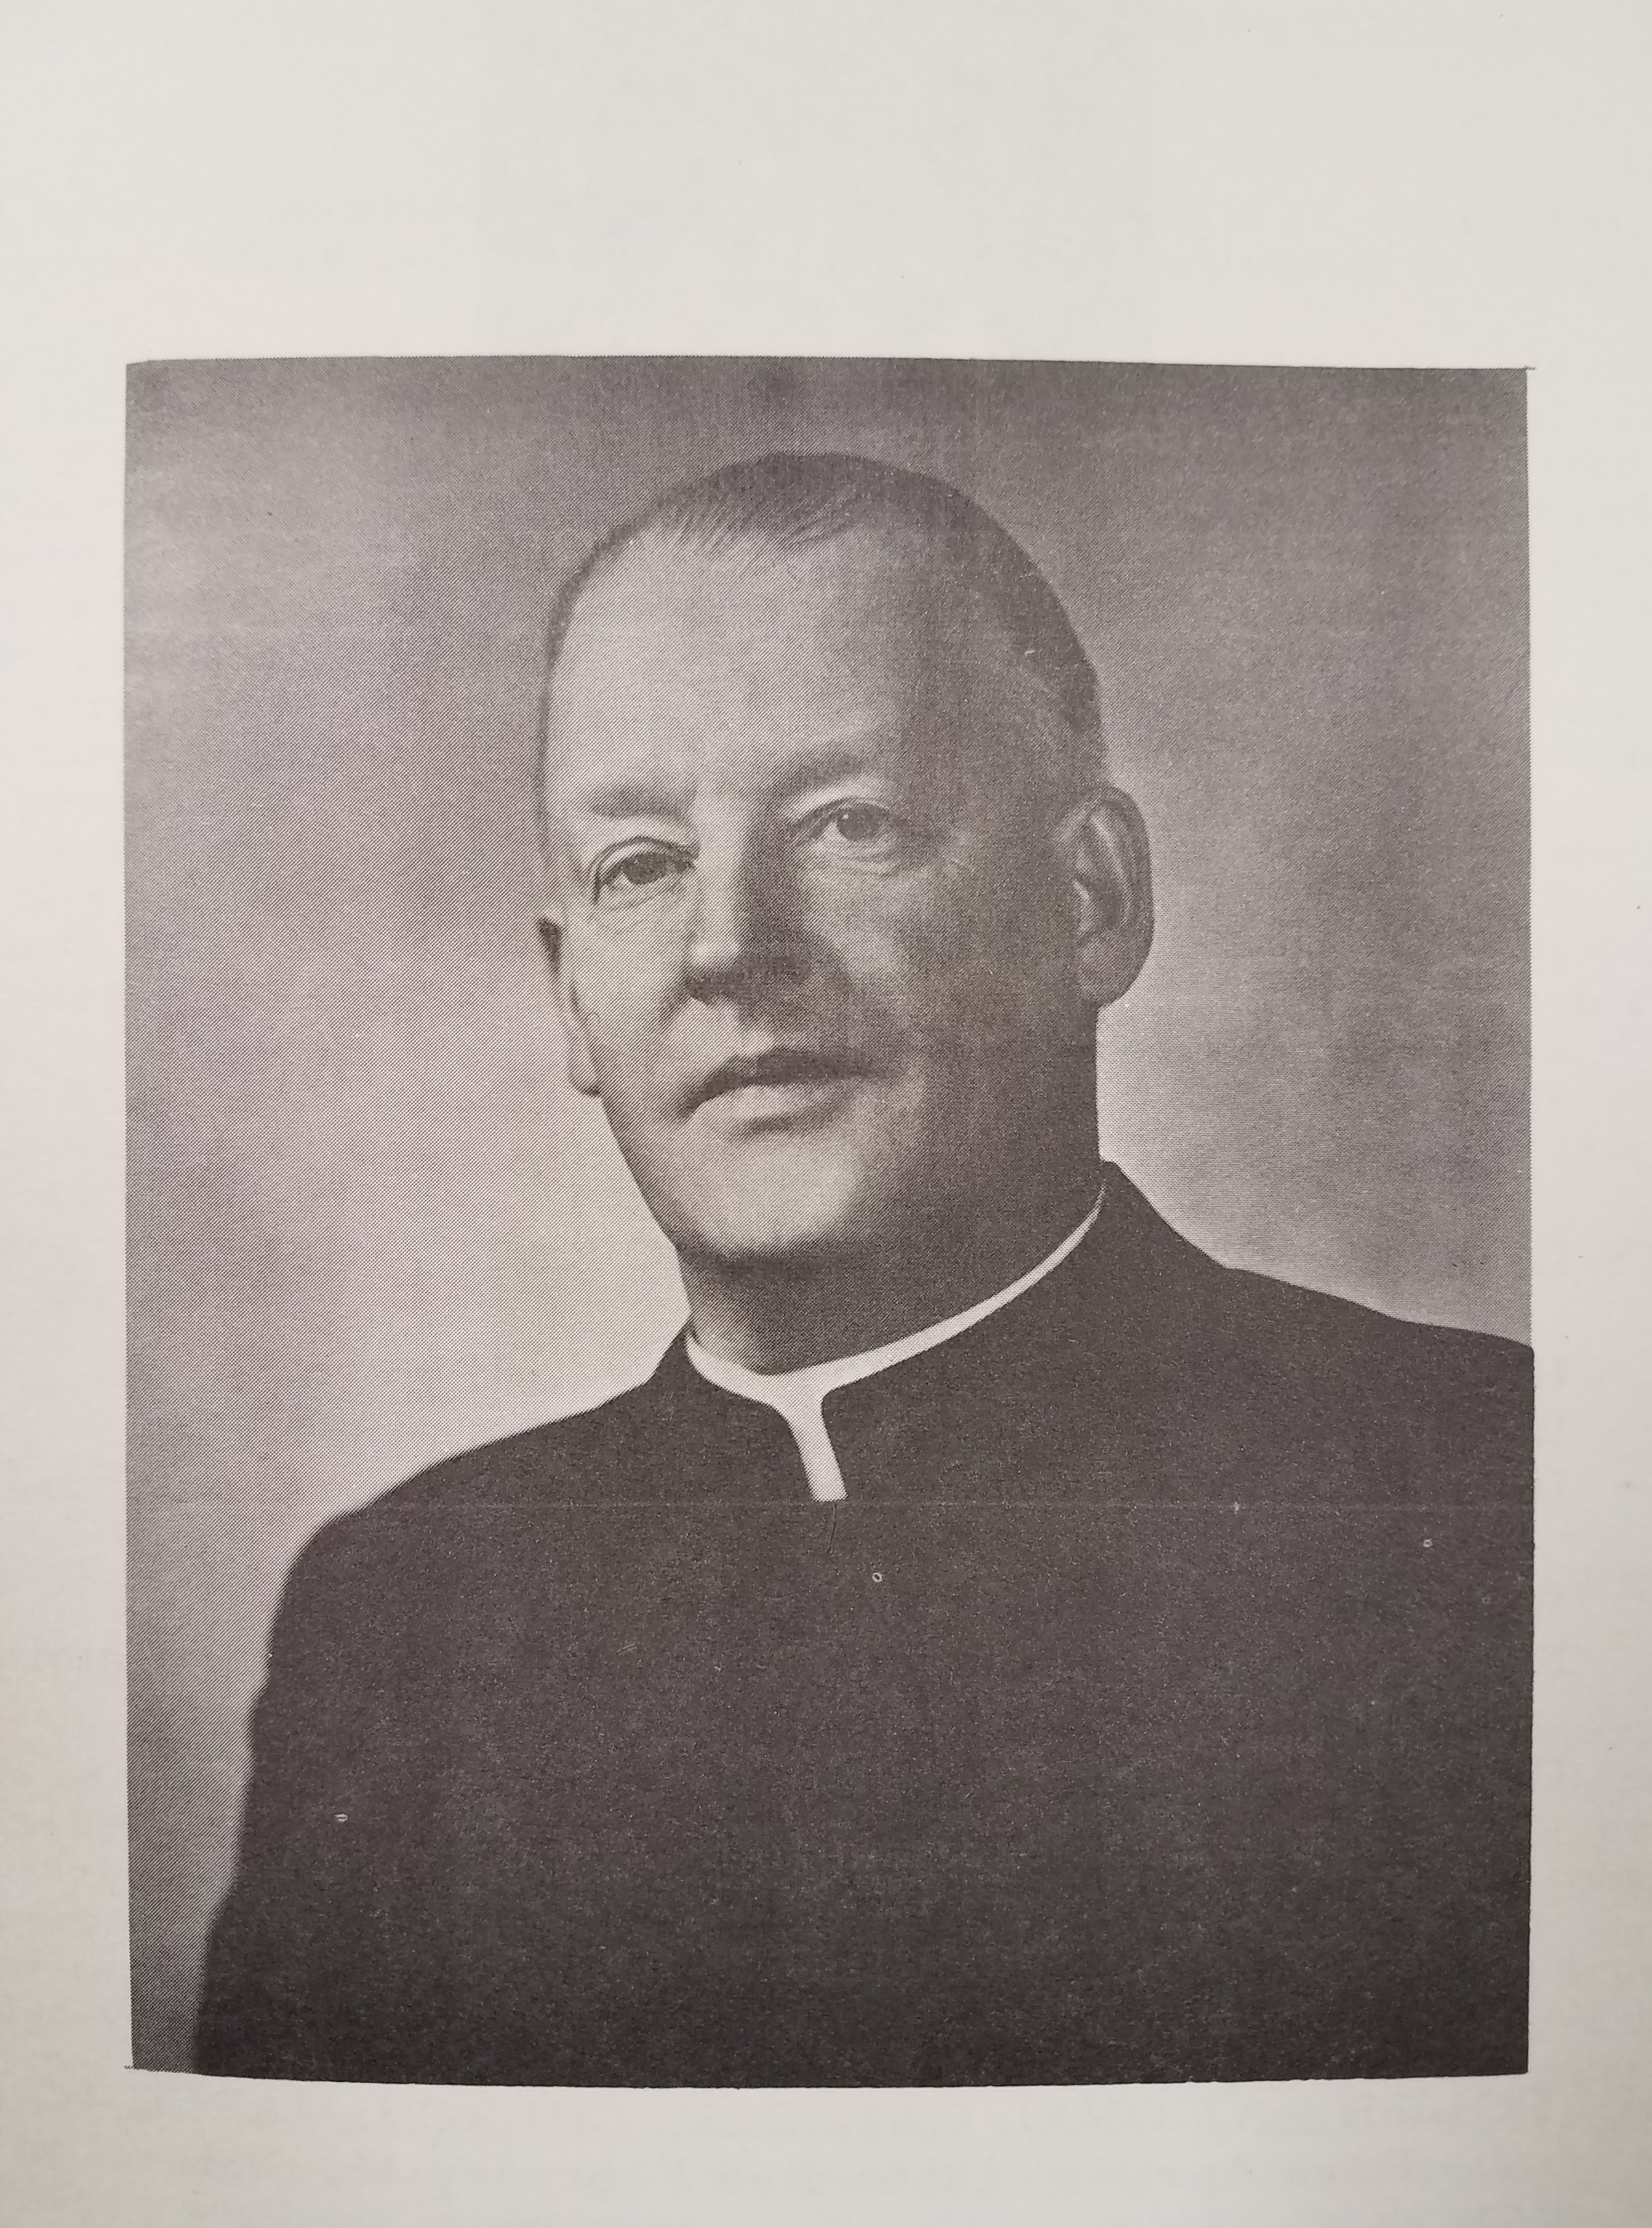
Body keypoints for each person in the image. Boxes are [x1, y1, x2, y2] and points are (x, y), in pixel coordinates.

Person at [196, 452, 1532, 2086]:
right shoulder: (403, 1622)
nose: (729, 946)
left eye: (849, 824)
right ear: (570, 1000)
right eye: (640, 864)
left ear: (1091, 901)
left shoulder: (1487, 1490)